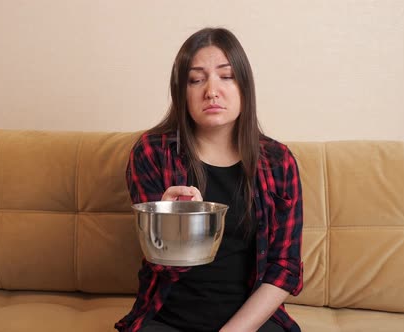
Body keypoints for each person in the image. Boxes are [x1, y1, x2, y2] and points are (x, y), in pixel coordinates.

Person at [115, 27, 303, 332]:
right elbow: (158, 265)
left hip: (250, 322)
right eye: (196, 79)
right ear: (182, 92)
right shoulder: (151, 153)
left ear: (244, 86)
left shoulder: (278, 162)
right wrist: (178, 227)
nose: (211, 91)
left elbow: (285, 268)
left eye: (226, 76)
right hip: (168, 319)